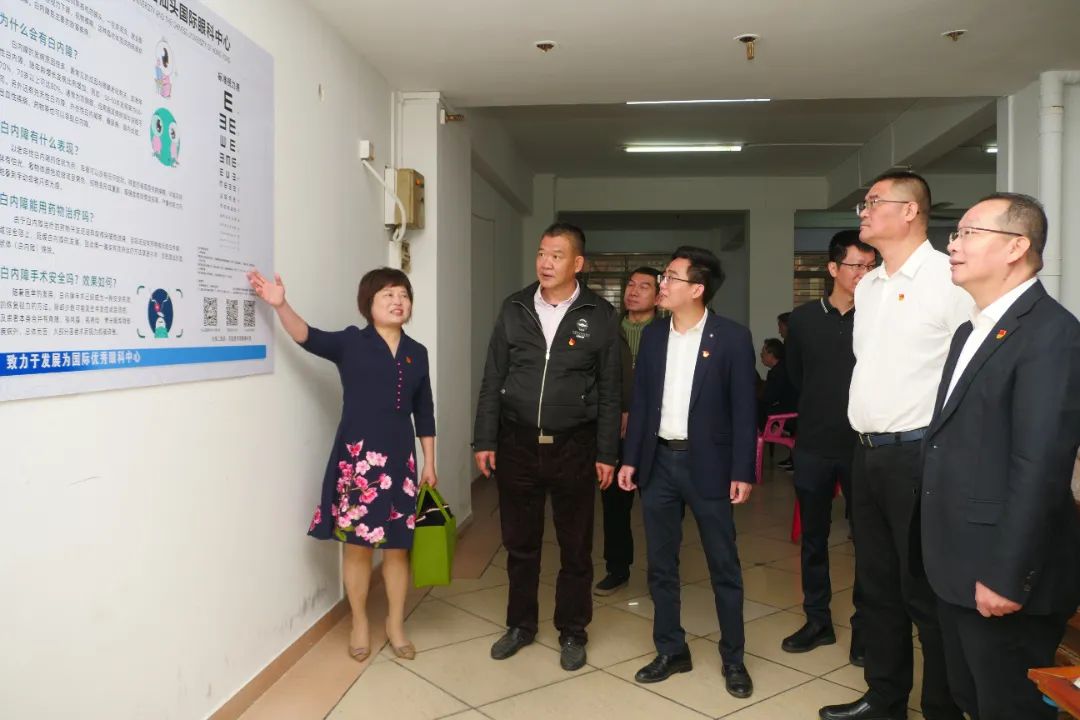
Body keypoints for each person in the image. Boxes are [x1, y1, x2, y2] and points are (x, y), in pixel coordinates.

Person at [920, 193, 1080, 719]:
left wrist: (1008, 576)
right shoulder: (971, 331)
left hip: (1002, 574)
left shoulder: (1051, 334)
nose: (953, 245)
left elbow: (1041, 466)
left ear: (1016, 247)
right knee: (971, 698)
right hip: (957, 564)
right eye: (955, 234)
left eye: (968, 233)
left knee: (1010, 707)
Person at [820, 171, 971, 720]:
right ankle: (885, 699)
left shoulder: (948, 279)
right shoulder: (870, 286)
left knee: (923, 591)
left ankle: (941, 706)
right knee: (876, 585)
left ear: (909, 211)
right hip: (867, 453)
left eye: (873, 202)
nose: (863, 210)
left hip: (919, 455)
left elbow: (971, 373)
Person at [247, 267, 437, 663]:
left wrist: (429, 463)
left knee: (399, 549)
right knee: (358, 547)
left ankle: (396, 624)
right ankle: (360, 623)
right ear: (368, 303)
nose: (398, 301)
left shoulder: (417, 352)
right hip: (359, 463)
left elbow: (425, 412)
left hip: (401, 462)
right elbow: (307, 336)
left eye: (403, 295)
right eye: (388, 295)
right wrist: (281, 305)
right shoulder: (352, 342)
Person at [473, 222, 620, 672]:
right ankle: (520, 625)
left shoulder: (600, 314)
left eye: (556, 255)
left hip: (574, 445)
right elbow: (493, 377)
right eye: (541, 253)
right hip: (516, 443)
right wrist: (485, 438)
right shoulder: (515, 307)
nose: (545, 262)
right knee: (520, 544)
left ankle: (573, 630)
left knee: (576, 546)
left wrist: (606, 452)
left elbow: (611, 390)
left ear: (578, 263)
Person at [618, 246, 757, 698]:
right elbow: (642, 403)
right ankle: (671, 649)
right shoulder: (654, 336)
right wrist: (631, 459)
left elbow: (744, 410)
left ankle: (733, 658)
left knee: (723, 565)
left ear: (697, 289)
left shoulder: (731, 337)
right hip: (659, 463)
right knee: (661, 564)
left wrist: (743, 470)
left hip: (709, 466)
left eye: (671, 278)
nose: (662, 284)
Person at [782, 230, 876, 665]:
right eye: (856, 265)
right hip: (814, 444)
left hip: (864, 445)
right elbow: (797, 377)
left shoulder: (879, 316)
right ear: (833, 268)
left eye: (870, 266)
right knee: (813, 539)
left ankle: (866, 628)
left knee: (869, 542)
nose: (864, 274)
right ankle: (817, 620)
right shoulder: (803, 320)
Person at [595, 267, 658, 596]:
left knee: (659, 506)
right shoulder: (607, 330)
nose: (633, 291)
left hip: (654, 435)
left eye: (644, 286)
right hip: (613, 433)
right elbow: (594, 377)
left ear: (658, 296)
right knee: (614, 506)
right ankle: (617, 568)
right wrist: (616, 412)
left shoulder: (666, 332)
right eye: (630, 285)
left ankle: (661, 572)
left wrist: (638, 414)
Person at [757, 337, 798, 430]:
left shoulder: (777, 373)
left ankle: (767, 434)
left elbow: (768, 397)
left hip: (789, 414)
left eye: (763, 352)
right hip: (793, 411)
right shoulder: (783, 368)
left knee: (757, 406)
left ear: (771, 355)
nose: (761, 355)